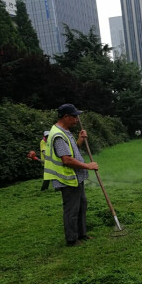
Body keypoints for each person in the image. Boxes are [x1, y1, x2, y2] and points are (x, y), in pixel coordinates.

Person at [44, 104, 98, 246]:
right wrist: (88, 166)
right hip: (67, 179)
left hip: (76, 178)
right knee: (71, 210)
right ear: (66, 117)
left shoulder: (65, 131)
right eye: (74, 116)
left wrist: (80, 139)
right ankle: (72, 240)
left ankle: (82, 234)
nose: (76, 119)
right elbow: (66, 160)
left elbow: (72, 152)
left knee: (82, 205)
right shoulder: (58, 135)